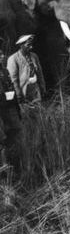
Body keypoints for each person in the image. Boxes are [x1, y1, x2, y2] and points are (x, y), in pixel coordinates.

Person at [0, 45, 21, 176]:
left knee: (15, 129)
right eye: (0, 54)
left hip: (7, 106)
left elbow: (10, 86)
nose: (3, 56)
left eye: (2, 54)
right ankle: (4, 166)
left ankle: (10, 161)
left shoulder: (4, 71)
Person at [7, 35, 45, 105]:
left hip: (35, 88)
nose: (31, 47)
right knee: (27, 111)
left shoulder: (34, 56)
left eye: (31, 44)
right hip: (23, 89)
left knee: (39, 109)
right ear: (21, 45)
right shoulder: (13, 59)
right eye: (28, 45)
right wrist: (18, 94)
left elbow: (40, 73)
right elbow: (14, 79)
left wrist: (42, 86)